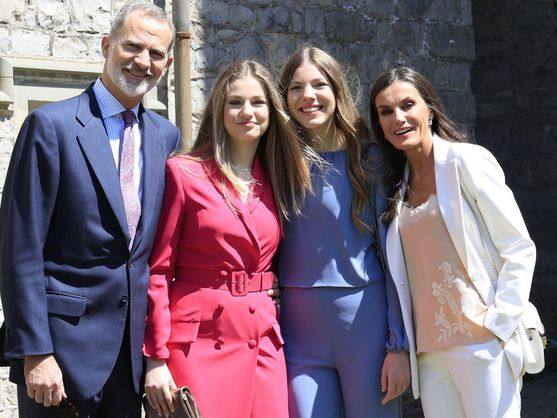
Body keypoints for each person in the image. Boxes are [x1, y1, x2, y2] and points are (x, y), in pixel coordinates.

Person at [0, 2, 179, 417]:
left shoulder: (165, 137)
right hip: (60, 356)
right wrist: (35, 351)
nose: (142, 62)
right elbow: (20, 248)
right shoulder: (52, 126)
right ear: (106, 45)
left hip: (129, 360)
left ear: (168, 63)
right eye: (132, 47)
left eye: (155, 54)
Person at [142, 60, 315, 418]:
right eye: (235, 102)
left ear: (272, 112)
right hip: (199, 342)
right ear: (219, 109)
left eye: (258, 102)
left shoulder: (277, 178)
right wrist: (155, 358)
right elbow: (157, 271)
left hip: (262, 338)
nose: (246, 112)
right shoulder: (185, 173)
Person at [369, 66, 536, 417]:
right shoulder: (394, 189)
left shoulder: (467, 161)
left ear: (429, 109)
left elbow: (518, 247)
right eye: (386, 111)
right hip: (429, 355)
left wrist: (499, 324)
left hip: (481, 342)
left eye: (407, 105)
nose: (398, 117)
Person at [277, 46, 410, 418]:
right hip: (298, 333)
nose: (308, 96)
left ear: (336, 89)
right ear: (284, 97)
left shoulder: (371, 159)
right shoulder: (276, 160)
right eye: (296, 87)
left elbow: (394, 256)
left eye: (319, 84)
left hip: (364, 327)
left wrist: (398, 345)